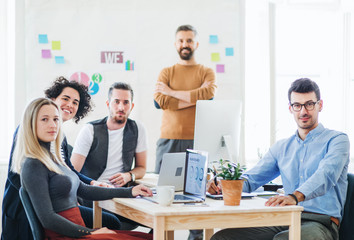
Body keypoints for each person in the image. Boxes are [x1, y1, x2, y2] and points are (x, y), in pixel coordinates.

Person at [211, 78, 350, 240]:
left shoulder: (337, 140)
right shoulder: (282, 147)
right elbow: (251, 179)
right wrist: (222, 185)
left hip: (320, 223)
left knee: (284, 239)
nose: (303, 111)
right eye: (297, 105)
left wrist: (294, 197)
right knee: (223, 237)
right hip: (284, 219)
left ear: (320, 105)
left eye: (309, 104)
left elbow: (326, 175)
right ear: (291, 109)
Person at [11, 97, 153, 240]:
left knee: (149, 236)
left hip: (77, 230)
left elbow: (84, 190)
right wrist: (89, 232)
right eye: (44, 119)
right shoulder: (33, 164)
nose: (53, 125)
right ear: (30, 124)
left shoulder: (54, 158)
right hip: (67, 235)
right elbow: (48, 219)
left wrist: (130, 191)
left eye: (55, 119)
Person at [1, 77, 121, 240]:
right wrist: (50, 198)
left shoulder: (59, 137)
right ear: (52, 99)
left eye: (75, 102)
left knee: (110, 221)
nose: (70, 105)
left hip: (57, 205)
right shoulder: (28, 130)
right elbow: (16, 175)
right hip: (25, 208)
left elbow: (68, 170)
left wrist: (91, 183)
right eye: (65, 99)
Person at [153, 24, 216, 240]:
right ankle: (159, 235)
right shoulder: (167, 71)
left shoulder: (206, 72)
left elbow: (208, 94)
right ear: (175, 44)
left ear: (196, 43)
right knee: (161, 196)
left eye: (189, 40)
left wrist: (172, 92)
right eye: (181, 40)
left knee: (196, 197)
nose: (185, 44)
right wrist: (193, 99)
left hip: (197, 140)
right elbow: (161, 101)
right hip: (168, 140)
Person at [70, 82, 147, 229]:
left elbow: (142, 167)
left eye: (126, 102)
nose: (121, 107)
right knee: (114, 224)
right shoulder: (90, 130)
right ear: (108, 103)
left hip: (121, 195)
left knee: (156, 219)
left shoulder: (138, 129)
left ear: (132, 106)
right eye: (116, 102)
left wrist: (129, 176)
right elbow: (72, 172)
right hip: (93, 197)